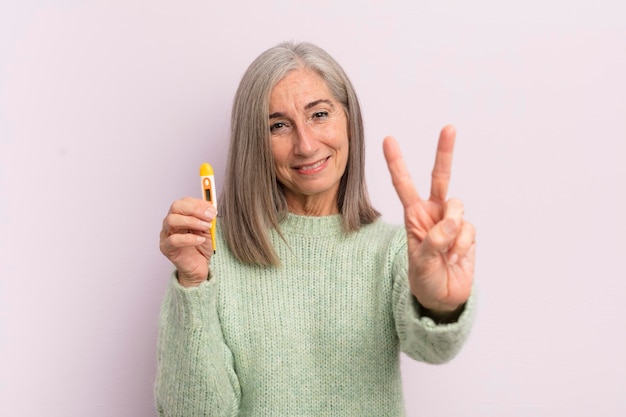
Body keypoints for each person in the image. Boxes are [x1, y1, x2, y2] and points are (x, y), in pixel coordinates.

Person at [156, 41, 476, 416]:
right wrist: (193, 285)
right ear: (254, 142)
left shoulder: (392, 250)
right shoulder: (210, 255)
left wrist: (440, 304)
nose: (306, 145)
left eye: (319, 114)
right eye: (278, 125)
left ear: (349, 121)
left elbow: (433, 349)